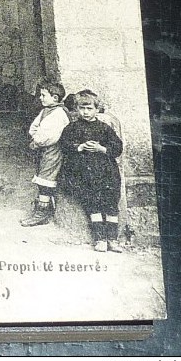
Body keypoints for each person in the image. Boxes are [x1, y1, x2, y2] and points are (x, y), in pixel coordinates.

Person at [59, 89, 124, 252]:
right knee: (93, 204)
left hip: (107, 172)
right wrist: (79, 147)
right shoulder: (72, 128)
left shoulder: (104, 128)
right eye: (82, 108)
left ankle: (113, 239)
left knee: (110, 204)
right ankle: (100, 239)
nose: (86, 112)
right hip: (86, 173)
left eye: (89, 108)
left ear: (97, 109)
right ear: (77, 109)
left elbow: (117, 147)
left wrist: (101, 148)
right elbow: (64, 145)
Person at [20, 79, 70, 227]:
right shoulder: (46, 110)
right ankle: (42, 208)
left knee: (46, 180)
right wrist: (35, 137)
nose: (40, 98)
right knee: (42, 176)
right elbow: (34, 126)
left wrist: (37, 142)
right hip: (45, 149)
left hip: (54, 151)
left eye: (43, 95)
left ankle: (42, 213)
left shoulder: (59, 113)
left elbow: (50, 135)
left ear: (55, 98)